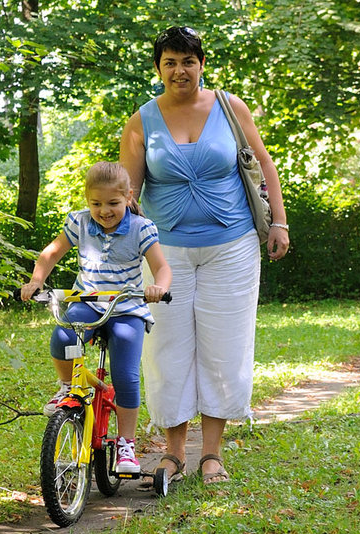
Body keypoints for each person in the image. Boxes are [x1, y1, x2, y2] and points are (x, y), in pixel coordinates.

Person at [119, 26, 289, 484]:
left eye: (188, 61)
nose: (180, 70)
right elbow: (127, 194)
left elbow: (264, 164)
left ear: (201, 64)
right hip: (164, 255)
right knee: (167, 348)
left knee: (224, 346)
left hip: (231, 247)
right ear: (158, 68)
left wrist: (279, 221)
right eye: (170, 62)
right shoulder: (141, 121)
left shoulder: (230, 108)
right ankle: (173, 453)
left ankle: (211, 454)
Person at [20, 161, 172, 474]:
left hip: (126, 306)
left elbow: (162, 267)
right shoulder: (79, 223)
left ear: (129, 197)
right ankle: (67, 386)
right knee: (62, 336)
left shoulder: (141, 228)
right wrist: (37, 280)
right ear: (87, 201)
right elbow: (51, 253)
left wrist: (159, 287)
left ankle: (127, 444)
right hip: (88, 301)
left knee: (125, 373)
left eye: (113, 203)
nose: (104, 211)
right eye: (96, 203)